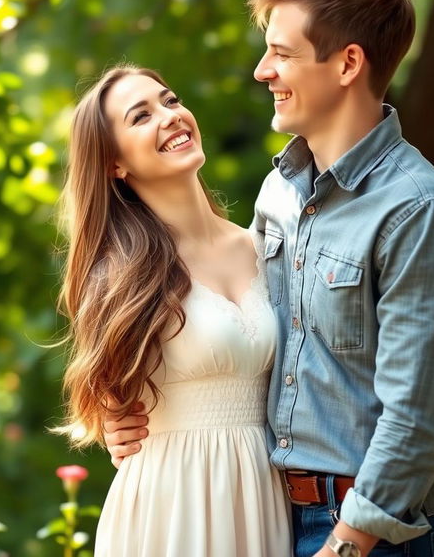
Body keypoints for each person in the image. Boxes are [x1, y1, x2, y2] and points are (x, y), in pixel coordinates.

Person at [104, 0, 434, 557]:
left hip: (374, 533)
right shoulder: (280, 195)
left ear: (347, 63)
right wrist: (127, 418)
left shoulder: (414, 206)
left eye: (281, 53)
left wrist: (347, 544)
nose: (263, 71)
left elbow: (417, 414)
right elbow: (256, 349)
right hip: (270, 516)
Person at [57, 64, 293, 556]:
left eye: (170, 100)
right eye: (140, 116)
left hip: (266, 494)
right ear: (113, 164)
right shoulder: (122, 276)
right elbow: (107, 397)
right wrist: (110, 422)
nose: (170, 116)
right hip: (171, 506)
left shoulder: (266, 243)